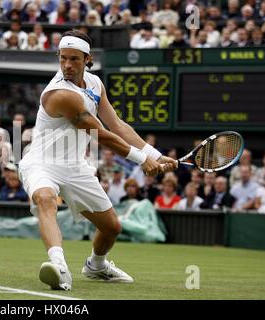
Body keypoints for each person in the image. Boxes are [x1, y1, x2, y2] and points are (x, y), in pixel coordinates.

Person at [17, 30, 176, 291]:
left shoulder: (95, 84)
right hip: (41, 163)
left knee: (112, 227)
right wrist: (141, 159)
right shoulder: (60, 94)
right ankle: (58, 266)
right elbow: (99, 133)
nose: (67, 65)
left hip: (75, 167)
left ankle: (97, 266)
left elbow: (117, 124)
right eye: (63, 58)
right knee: (46, 199)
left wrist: (155, 155)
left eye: (74, 59)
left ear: (87, 59)